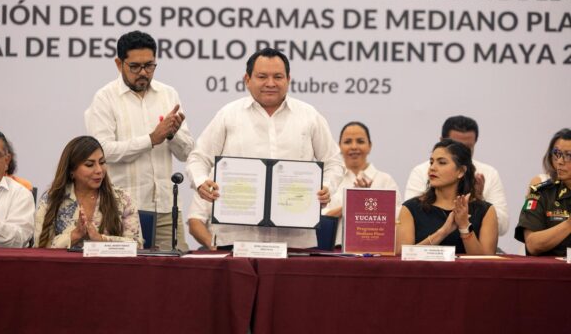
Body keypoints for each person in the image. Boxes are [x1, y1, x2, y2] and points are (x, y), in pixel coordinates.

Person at [186, 47, 343, 249]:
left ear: (288, 79)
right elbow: (198, 158)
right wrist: (201, 182)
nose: (270, 83)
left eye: (278, 77)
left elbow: (334, 162)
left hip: (295, 240)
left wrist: (327, 187)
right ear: (247, 79)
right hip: (237, 239)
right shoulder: (228, 115)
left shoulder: (309, 116)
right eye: (262, 77)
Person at [85, 30, 194, 251]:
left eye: (149, 66)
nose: (143, 72)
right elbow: (103, 152)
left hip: (165, 209)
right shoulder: (105, 98)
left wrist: (171, 135)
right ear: (119, 64)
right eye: (135, 66)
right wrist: (151, 139)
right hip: (120, 210)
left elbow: (186, 153)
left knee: (177, 269)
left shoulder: (168, 94)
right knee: (125, 271)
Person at [404, 115, 509, 236]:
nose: (461, 151)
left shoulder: (489, 173)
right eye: (455, 146)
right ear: (442, 141)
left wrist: (479, 201)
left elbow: (503, 227)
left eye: (467, 148)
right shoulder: (422, 171)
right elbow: (411, 218)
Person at [34, 136, 143, 248]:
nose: (99, 170)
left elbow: (137, 247)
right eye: (89, 165)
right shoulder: (51, 199)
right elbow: (40, 247)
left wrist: (101, 239)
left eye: (102, 162)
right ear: (71, 170)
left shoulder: (123, 199)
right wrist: (74, 235)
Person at [397, 139, 498, 255]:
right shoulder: (411, 208)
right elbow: (402, 256)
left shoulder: (485, 211)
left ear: (461, 171)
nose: (432, 168)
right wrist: (443, 232)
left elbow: (486, 262)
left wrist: (464, 226)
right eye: (431, 162)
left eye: (442, 163)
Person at [323, 121, 401, 245]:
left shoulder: (385, 180)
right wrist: (353, 203)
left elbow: (397, 218)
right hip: (335, 250)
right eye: (348, 142)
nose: (354, 147)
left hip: (377, 250)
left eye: (360, 141)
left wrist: (366, 201)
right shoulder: (330, 180)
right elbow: (321, 218)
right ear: (339, 147)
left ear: (370, 146)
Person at [515, 128, 571, 256]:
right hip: (551, 267)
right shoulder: (540, 193)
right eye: (556, 153)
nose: (560, 161)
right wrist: (568, 225)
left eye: (568, 155)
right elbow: (532, 244)